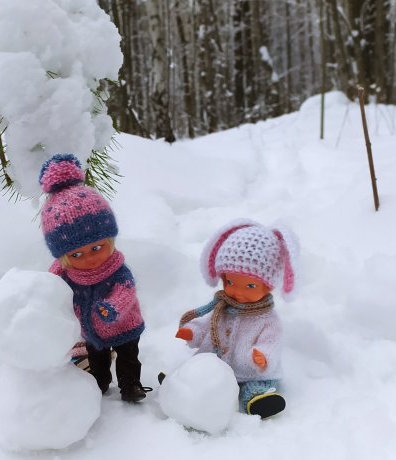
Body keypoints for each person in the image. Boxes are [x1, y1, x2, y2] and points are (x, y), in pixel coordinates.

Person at [39, 153, 150, 402]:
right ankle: (98, 383)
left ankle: (130, 385)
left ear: (110, 240)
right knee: (97, 359)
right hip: (90, 332)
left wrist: (113, 307)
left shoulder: (117, 270)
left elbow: (125, 291)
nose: (89, 258)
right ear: (63, 255)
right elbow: (50, 287)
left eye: (97, 248)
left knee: (128, 357)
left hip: (124, 325)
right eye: (77, 254)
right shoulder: (64, 272)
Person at [176, 219, 297, 418]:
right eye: (230, 282)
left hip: (250, 372)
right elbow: (207, 326)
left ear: (268, 286)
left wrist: (263, 356)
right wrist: (192, 332)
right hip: (215, 367)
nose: (237, 292)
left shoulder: (267, 319)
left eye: (250, 286)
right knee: (199, 374)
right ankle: (178, 388)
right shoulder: (222, 308)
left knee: (256, 386)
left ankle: (258, 400)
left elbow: (271, 341)